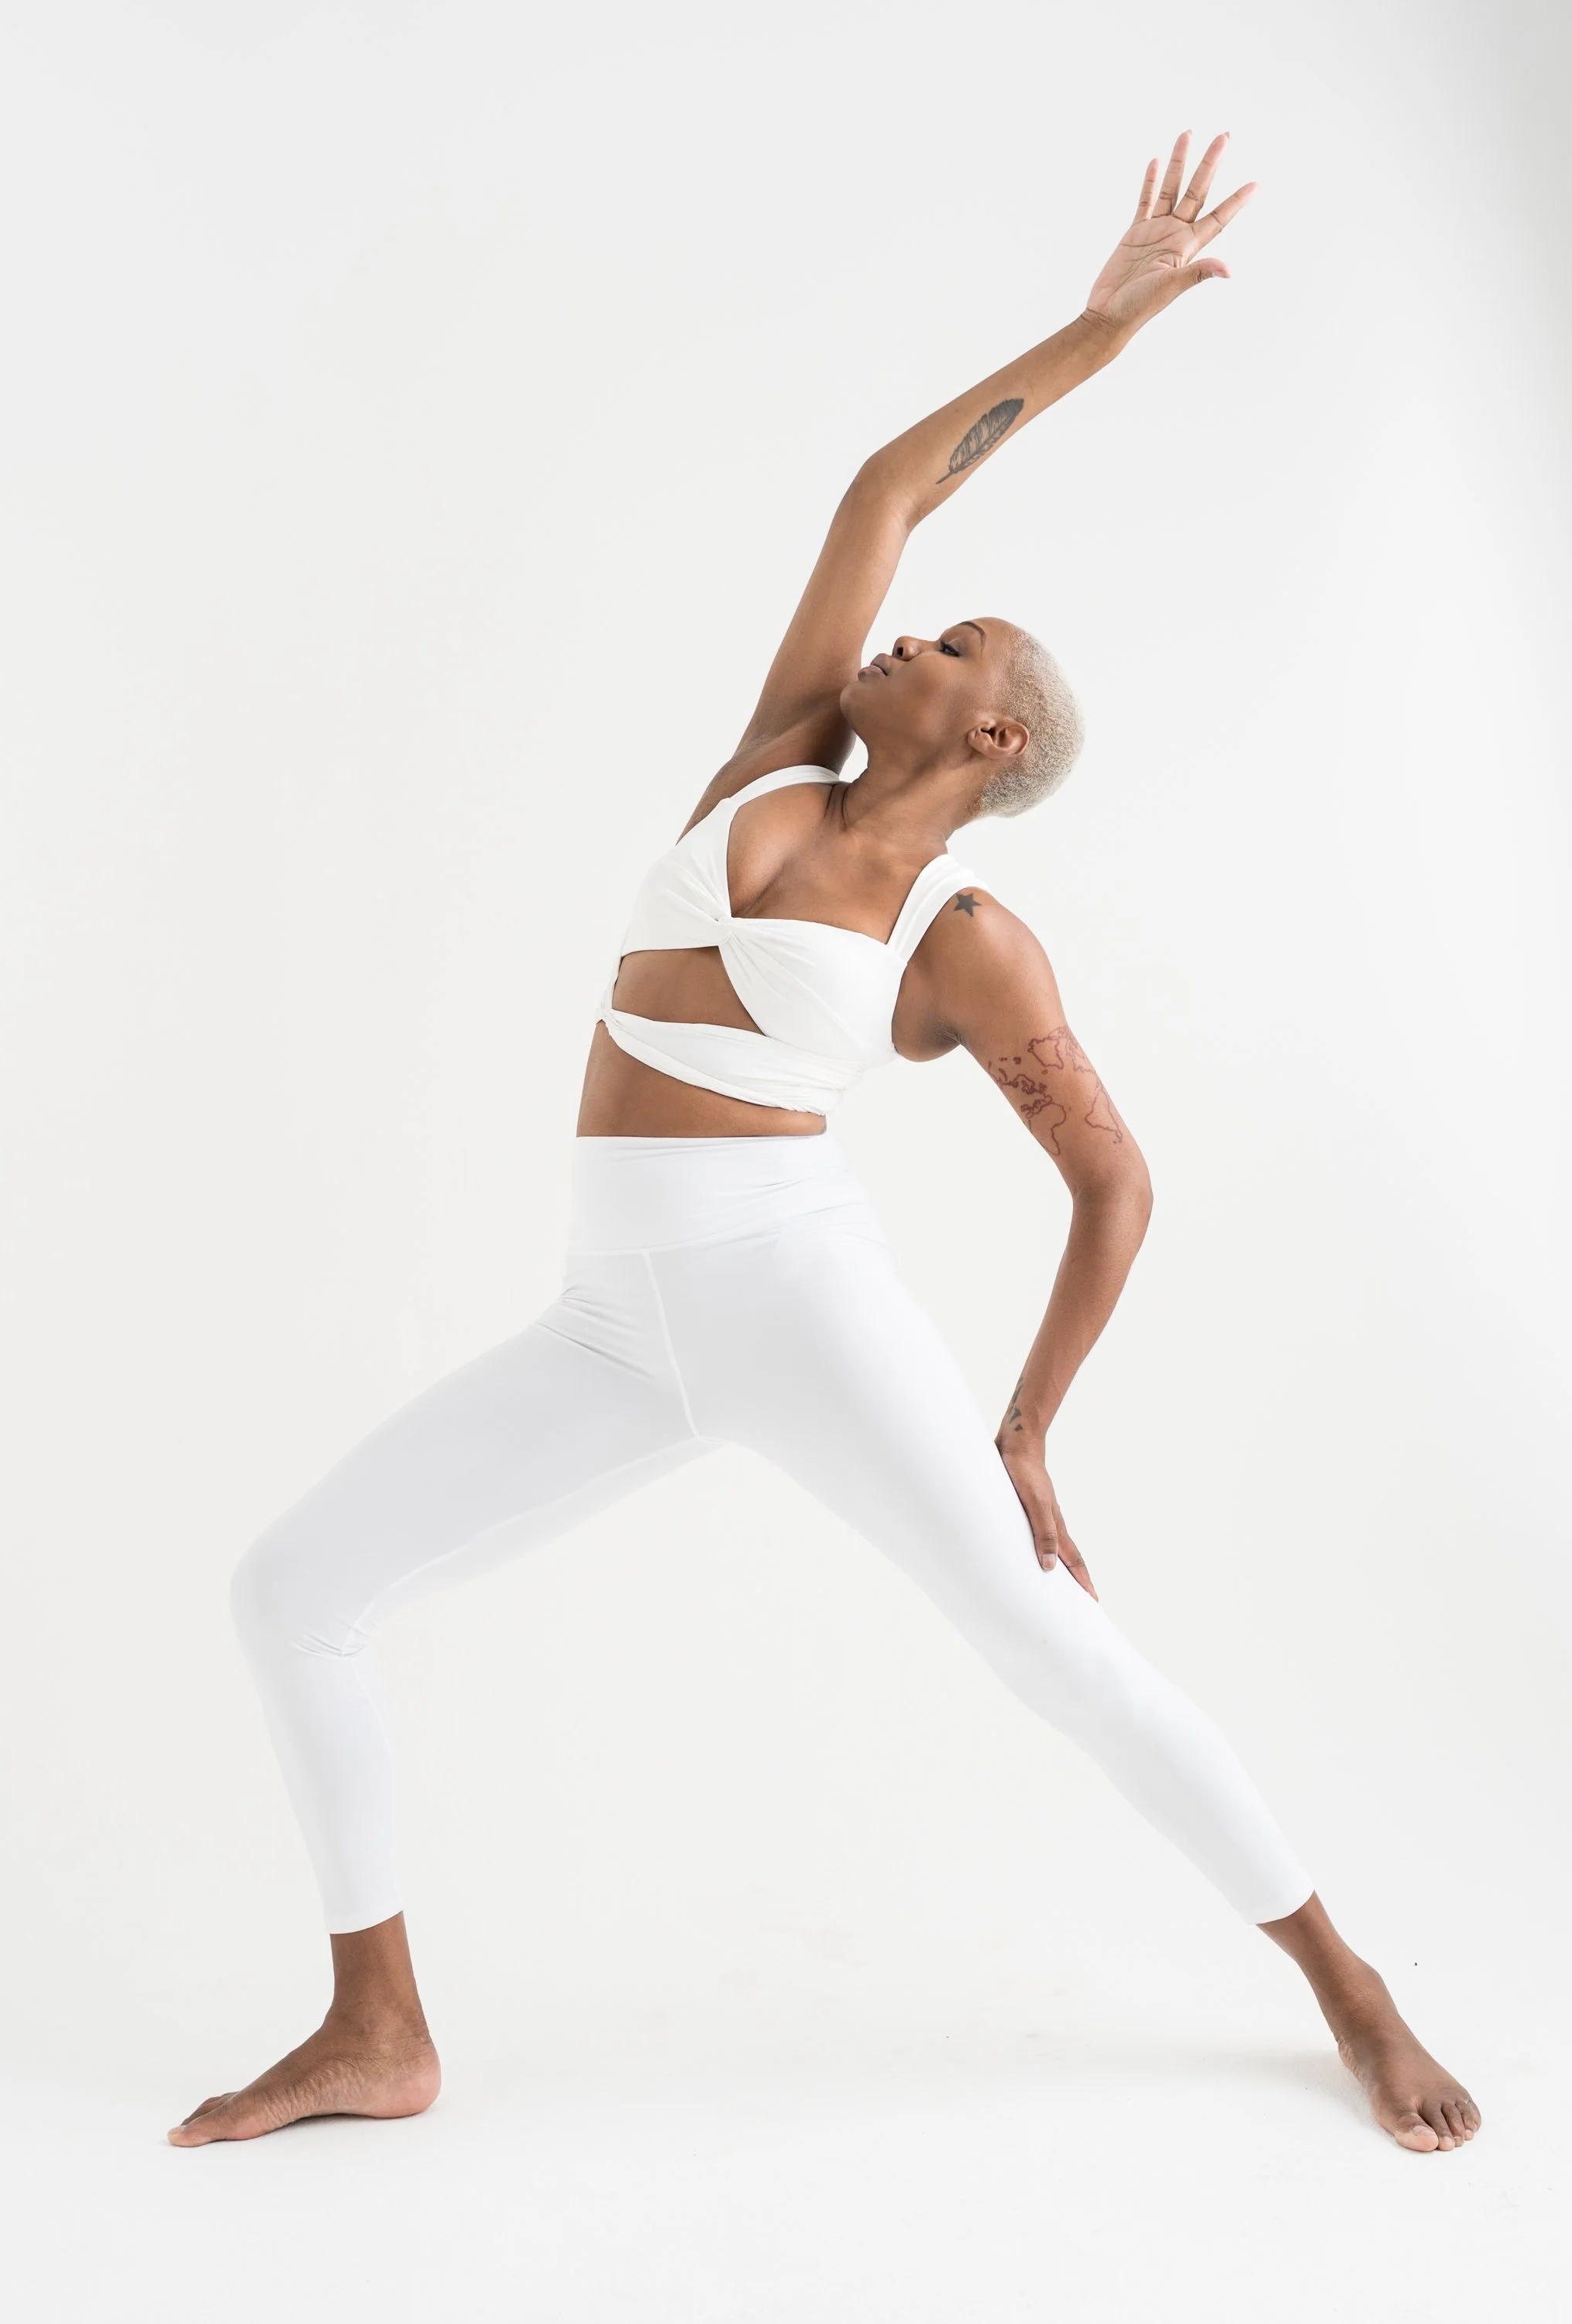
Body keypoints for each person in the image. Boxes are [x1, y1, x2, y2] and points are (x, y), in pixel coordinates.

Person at [170, 132, 1479, 2155]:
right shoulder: (776, 760)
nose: (908, 636)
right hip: (610, 1316)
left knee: (1051, 1650)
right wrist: (1102, 330)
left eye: (952, 645)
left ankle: (1350, 1987)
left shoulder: (964, 938)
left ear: (998, 739)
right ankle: (379, 2029)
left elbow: (1117, 1185)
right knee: (294, 1592)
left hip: (788, 1289)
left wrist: (1027, 1429)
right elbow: (886, 488)